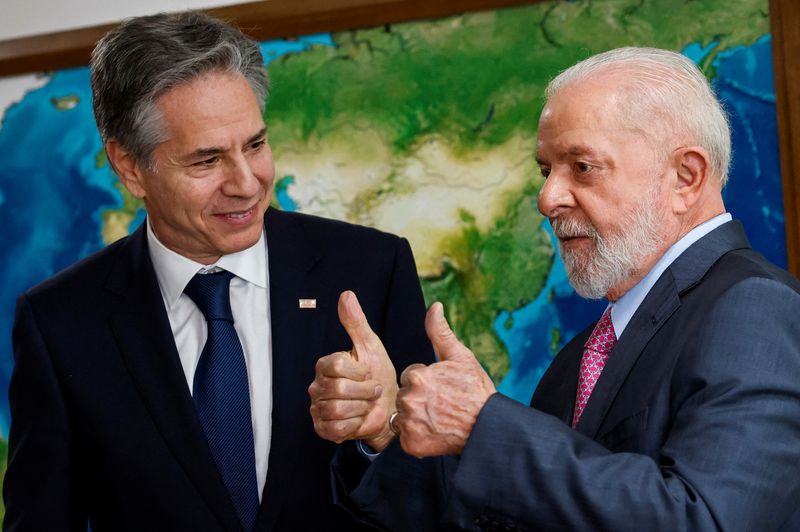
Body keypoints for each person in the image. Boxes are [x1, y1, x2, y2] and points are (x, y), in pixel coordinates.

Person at [308, 47, 800, 530]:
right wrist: (385, 430)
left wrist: (486, 427)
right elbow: (509, 513)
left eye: (581, 166)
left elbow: (708, 520)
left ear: (685, 177)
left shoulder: (754, 306)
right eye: (546, 171)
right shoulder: (584, 356)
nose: (547, 199)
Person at [4, 11, 434, 532]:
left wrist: (379, 438)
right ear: (129, 167)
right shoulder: (60, 324)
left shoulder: (371, 271)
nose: (247, 183)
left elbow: (437, 501)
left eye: (255, 145)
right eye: (207, 161)